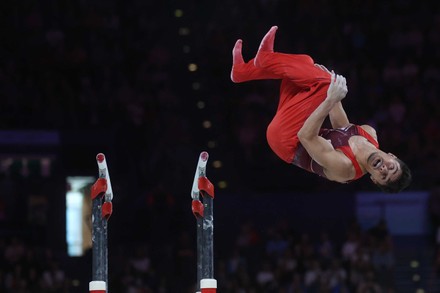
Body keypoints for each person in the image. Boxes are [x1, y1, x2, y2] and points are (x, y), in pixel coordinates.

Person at [230, 26, 411, 193]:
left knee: (324, 83)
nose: (384, 169)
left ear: (374, 180)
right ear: (392, 156)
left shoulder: (345, 168)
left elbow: (306, 136)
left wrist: (329, 94)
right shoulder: (370, 133)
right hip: (297, 126)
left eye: (383, 176)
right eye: (391, 167)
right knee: (306, 63)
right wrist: (329, 84)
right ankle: (242, 72)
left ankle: (267, 58)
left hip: (287, 140)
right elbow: (342, 127)